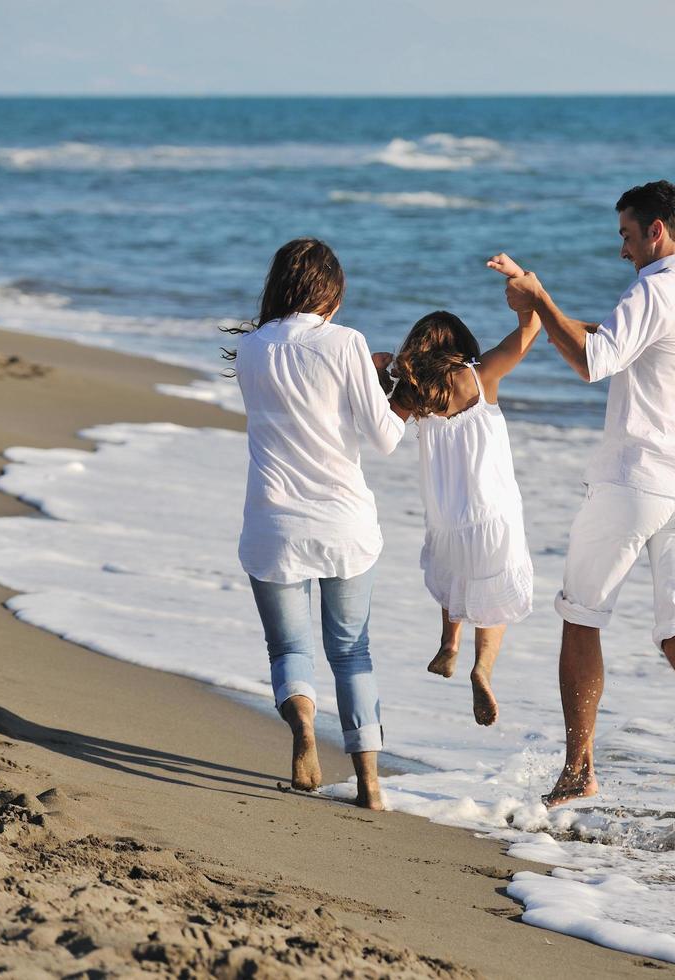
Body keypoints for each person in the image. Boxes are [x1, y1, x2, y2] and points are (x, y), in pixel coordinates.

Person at [496, 180, 675, 824]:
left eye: (628, 236)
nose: (623, 250)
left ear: (656, 231)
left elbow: (595, 360)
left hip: (634, 481)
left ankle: (579, 772)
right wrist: (541, 310)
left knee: (582, 615)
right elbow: (613, 338)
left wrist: (539, 297)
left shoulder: (654, 288)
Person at [228, 237, 406, 809]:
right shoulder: (347, 342)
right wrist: (397, 392)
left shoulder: (252, 349)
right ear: (331, 291)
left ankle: (305, 730)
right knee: (352, 651)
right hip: (343, 522)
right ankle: (369, 783)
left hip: (272, 522)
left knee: (289, 649)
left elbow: (292, 405)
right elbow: (383, 437)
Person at [389, 257, 541, 726]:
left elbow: (378, 426)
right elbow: (531, 328)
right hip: (492, 510)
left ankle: (449, 642)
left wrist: (378, 374)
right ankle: (482, 670)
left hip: (445, 516)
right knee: (492, 589)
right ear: (461, 344)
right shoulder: (481, 375)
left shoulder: (413, 394)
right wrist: (521, 285)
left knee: (454, 575)